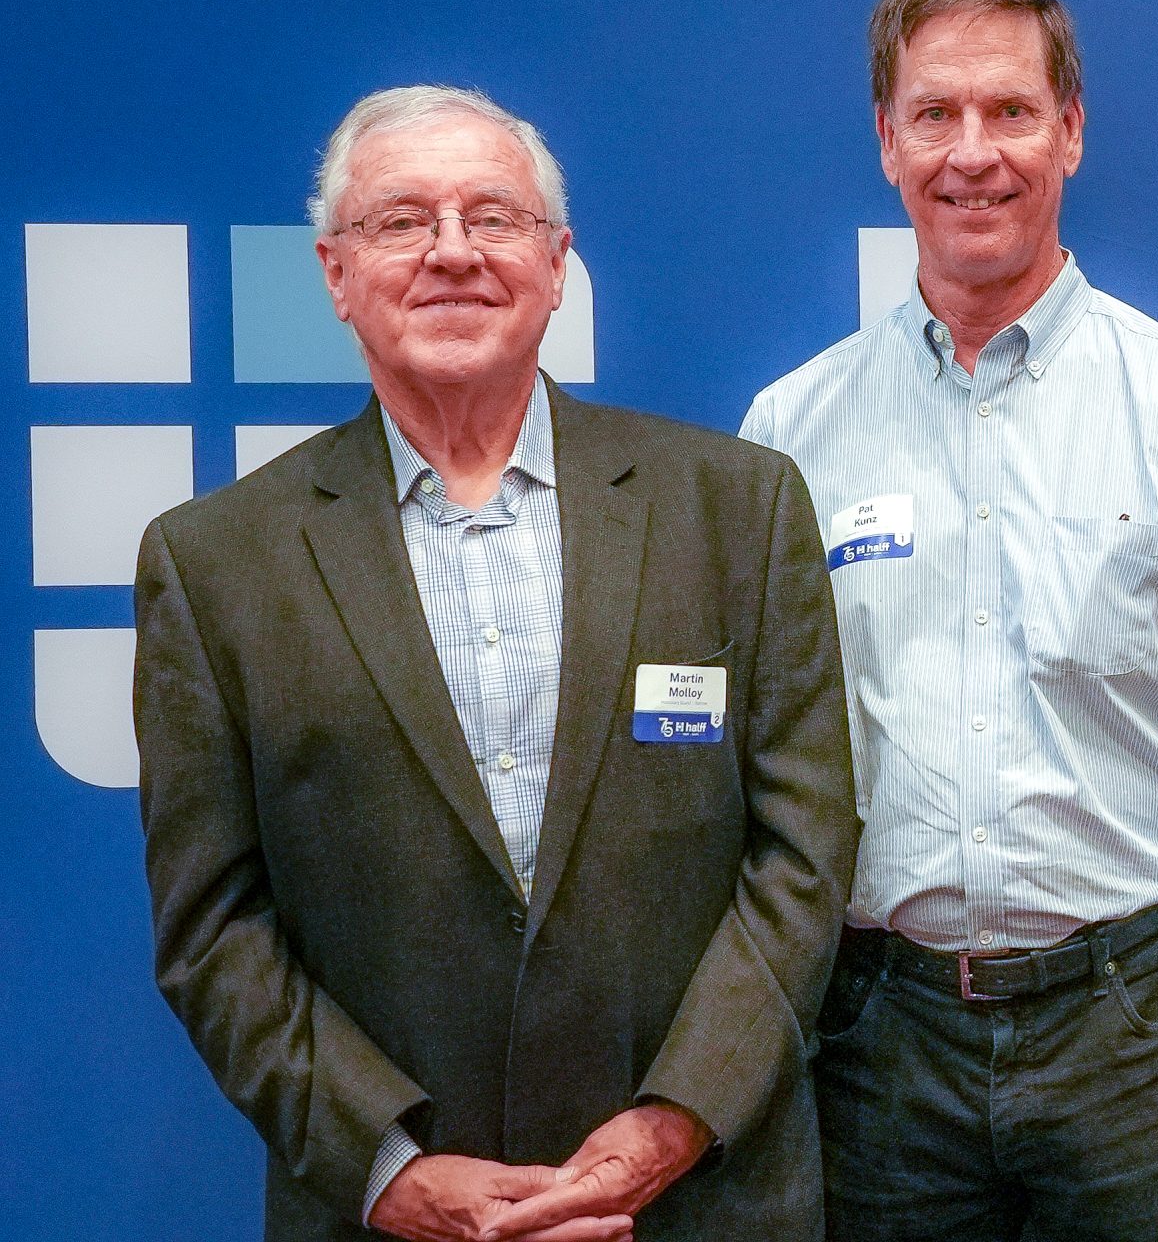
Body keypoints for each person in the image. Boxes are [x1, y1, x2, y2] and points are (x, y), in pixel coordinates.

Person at [135, 85, 859, 1242]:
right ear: (335, 273)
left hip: (702, 1197)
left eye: (492, 217)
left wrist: (676, 1121)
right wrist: (389, 1170)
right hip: (388, 1213)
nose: (452, 253)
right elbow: (214, 925)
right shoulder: (216, 563)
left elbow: (805, 854)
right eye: (402, 221)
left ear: (556, 263)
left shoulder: (737, 507)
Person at [741, 0, 1158, 1242]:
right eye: (935, 114)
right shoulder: (789, 432)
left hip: (1136, 1026)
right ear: (886, 142)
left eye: (1009, 110)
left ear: (1070, 131)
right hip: (878, 1038)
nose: (974, 153)